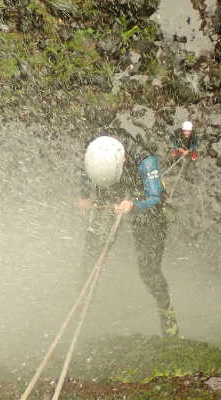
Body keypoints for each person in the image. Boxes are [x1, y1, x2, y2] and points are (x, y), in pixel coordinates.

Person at [77, 131, 179, 337]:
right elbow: (84, 171)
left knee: (148, 269)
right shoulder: (97, 148)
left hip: (145, 202)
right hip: (112, 185)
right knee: (95, 242)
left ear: (123, 160)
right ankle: (81, 295)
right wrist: (84, 195)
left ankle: (165, 309)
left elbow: (155, 198)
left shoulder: (146, 162)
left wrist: (133, 205)